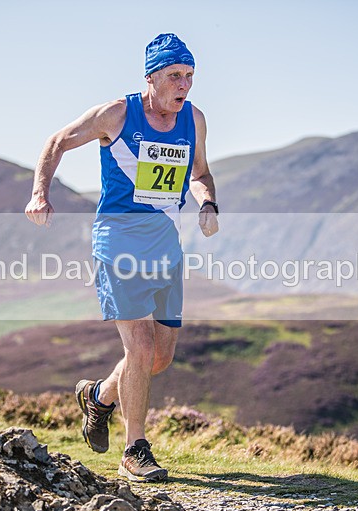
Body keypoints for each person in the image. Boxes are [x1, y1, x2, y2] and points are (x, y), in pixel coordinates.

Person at [25, 33, 218, 482]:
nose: (184, 85)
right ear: (150, 77)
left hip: (165, 244)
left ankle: (99, 396)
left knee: (160, 357)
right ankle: (135, 449)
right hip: (118, 241)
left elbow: (201, 173)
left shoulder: (195, 119)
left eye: (189, 76)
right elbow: (57, 141)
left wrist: (207, 203)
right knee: (140, 346)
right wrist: (39, 195)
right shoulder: (118, 113)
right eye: (174, 75)